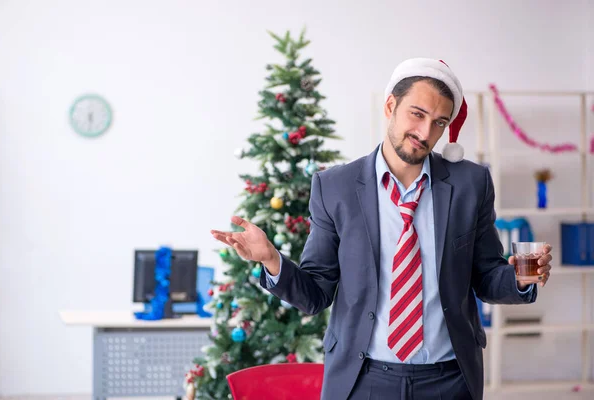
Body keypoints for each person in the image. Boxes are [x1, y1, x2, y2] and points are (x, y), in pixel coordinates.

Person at [211, 58, 553, 400]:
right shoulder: (335, 188)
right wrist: (272, 260)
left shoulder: (470, 184)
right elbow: (315, 294)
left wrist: (521, 279)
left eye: (439, 123)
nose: (425, 133)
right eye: (417, 114)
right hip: (364, 380)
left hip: (450, 380)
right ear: (391, 105)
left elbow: (486, 276)